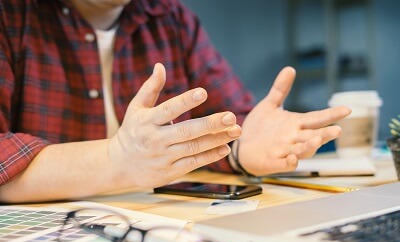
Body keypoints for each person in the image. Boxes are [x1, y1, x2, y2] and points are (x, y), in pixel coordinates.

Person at [0, 0, 350, 203]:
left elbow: (232, 121)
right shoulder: (12, 14)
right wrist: (116, 160)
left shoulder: (170, 17)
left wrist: (243, 147)